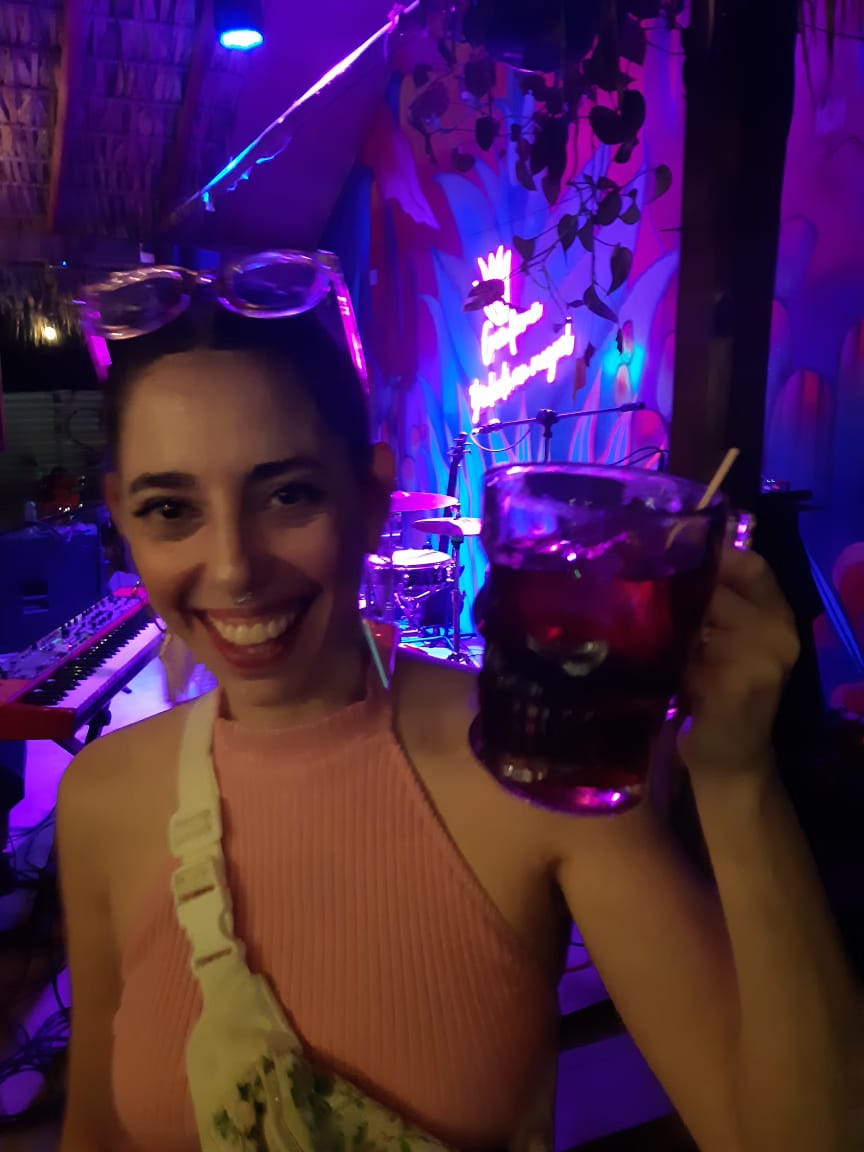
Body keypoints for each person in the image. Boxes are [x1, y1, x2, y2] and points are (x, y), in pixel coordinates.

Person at [57, 257, 859, 1152]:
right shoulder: (101, 798)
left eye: (288, 495)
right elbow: (97, 1130)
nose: (235, 568)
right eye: (171, 509)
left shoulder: (533, 764)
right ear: (121, 518)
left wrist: (740, 780)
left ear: (370, 500)